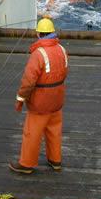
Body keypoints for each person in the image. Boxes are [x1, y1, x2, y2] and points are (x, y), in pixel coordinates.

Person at [9, 17, 69, 174]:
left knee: (32, 133)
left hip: (40, 103)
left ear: (38, 34)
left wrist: (20, 99)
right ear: (52, 33)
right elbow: (65, 73)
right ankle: (55, 161)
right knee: (54, 130)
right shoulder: (62, 50)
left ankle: (26, 164)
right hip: (57, 100)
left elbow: (28, 81)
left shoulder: (38, 54)